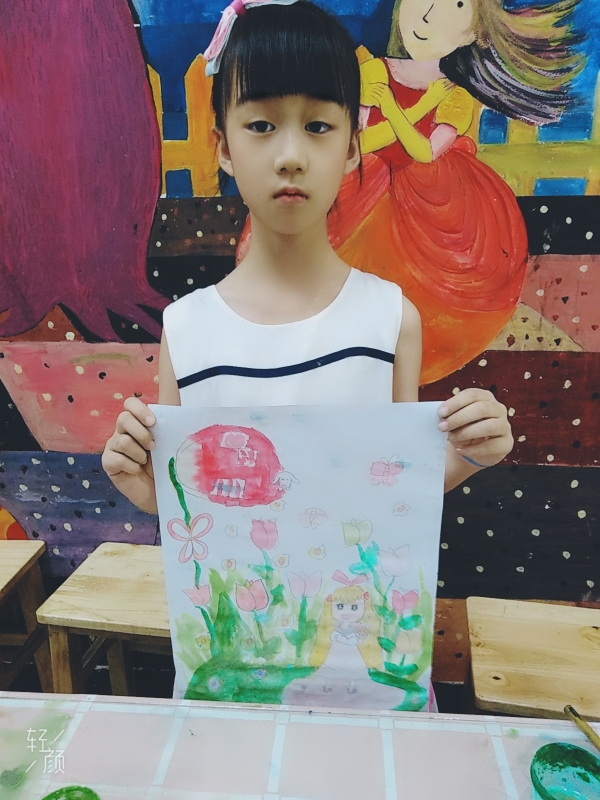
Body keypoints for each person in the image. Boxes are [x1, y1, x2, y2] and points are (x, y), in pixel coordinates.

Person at [102, 0, 513, 521]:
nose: (291, 156)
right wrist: (147, 490)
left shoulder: (391, 319)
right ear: (223, 148)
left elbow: (392, 485)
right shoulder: (186, 329)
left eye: (318, 126)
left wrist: (468, 454)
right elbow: (196, 506)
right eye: (260, 125)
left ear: (352, 147)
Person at [324, 0, 582, 383]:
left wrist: (396, 105)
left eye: (457, 4)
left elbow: (424, 152)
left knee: (438, 276)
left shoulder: (456, 96)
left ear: (476, 31)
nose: (427, 13)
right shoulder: (372, 70)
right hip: (366, 182)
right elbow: (360, 143)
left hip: (432, 192)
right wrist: (413, 107)